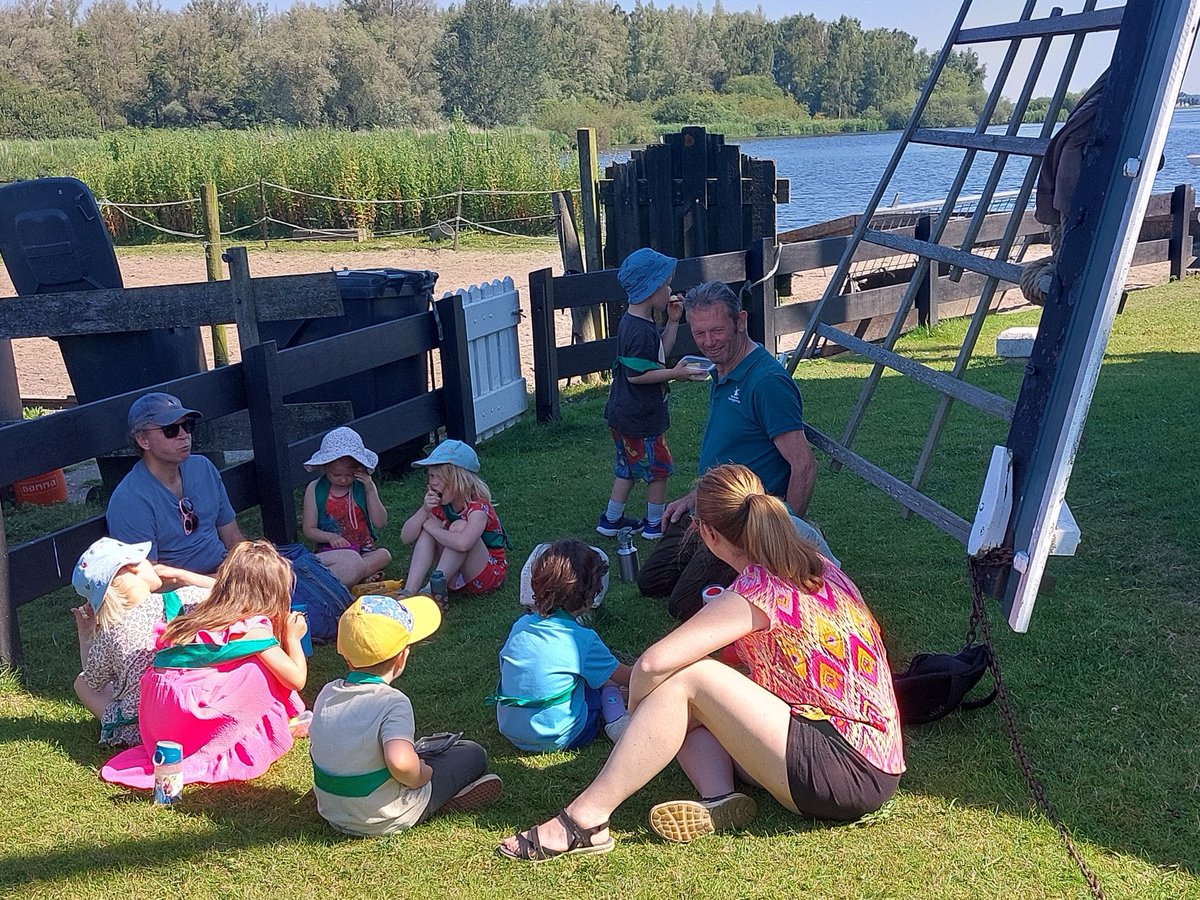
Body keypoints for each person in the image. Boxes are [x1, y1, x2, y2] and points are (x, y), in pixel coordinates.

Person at [497, 464, 904, 861]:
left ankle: (585, 819)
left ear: (708, 533)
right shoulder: (818, 564)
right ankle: (720, 796)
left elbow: (654, 665)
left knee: (688, 678)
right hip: (866, 757)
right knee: (696, 688)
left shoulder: (759, 589)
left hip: (844, 769)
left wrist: (637, 715)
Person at [637, 281, 827, 621]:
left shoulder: (766, 381)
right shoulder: (723, 369)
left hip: (746, 519)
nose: (709, 342)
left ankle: (761, 566)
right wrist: (694, 497)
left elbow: (804, 465)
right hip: (711, 506)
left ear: (740, 321)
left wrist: (785, 534)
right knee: (650, 581)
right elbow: (732, 452)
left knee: (684, 605)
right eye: (699, 333)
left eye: (717, 331)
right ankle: (719, 559)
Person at [101, 540, 309, 788]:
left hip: (157, 723)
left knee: (247, 665)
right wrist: (292, 638)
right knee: (261, 671)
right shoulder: (253, 628)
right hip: (189, 720)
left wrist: (181, 575)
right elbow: (296, 678)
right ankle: (271, 728)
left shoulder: (201, 612)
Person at [309, 594, 502, 835]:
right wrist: (422, 775)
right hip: (384, 815)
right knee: (473, 753)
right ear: (402, 657)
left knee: (410, 753)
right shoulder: (392, 702)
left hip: (333, 811)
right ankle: (436, 805)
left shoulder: (328, 692)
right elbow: (400, 762)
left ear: (346, 657)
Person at [597, 248, 706, 541]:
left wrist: (673, 321)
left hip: (622, 413)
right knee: (659, 469)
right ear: (650, 289)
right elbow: (638, 375)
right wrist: (677, 373)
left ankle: (611, 520)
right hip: (640, 417)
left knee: (627, 468)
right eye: (666, 284)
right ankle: (655, 525)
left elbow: (656, 358)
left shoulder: (636, 322)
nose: (670, 290)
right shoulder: (639, 331)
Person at [71, 537, 215, 747]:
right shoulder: (184, 599)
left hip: (140, 731)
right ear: (133, 567)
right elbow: (229, 593)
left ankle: (115, 726)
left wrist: (85, 637)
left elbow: (93, 683)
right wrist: (184, 576)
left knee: (82, 682)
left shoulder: (110, 633)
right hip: (191, 714)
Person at [492, 539, 631, 753]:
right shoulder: (582, 640)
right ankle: (618, 722)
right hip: (562, 735)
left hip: (511, 730)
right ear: (590, 595)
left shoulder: (520, 626)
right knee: (607, 684)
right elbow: (630, 678)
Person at [107, 392, 245, 575]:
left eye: (188, 426)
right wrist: (218, 582)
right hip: (180, 594)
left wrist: (250, 567)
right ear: (143, 440)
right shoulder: (130, 500)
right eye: (170, 430)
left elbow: (233, 537)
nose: (184, 435)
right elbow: (146, 581)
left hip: (226, 574)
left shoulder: (203, 468)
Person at [400, 439, 509, 605]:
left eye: (439, 477)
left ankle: (431, 591)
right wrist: (424, 510)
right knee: (427, 528)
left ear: (460, 480)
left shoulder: (478, 508)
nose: (432, 482)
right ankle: (409, 591)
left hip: (486, 573)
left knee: (457, 527)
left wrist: (434, 529)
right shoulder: (440, 504)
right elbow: (405, 537)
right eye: (431, 476)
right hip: (454, 574)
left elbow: (464, 544)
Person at [301, 427, 392, 587]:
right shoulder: (315, 489)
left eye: (349, 475)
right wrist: (331, 537)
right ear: (325, 467)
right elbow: (309, 529)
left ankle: (351, 576)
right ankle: (360, 576)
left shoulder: (363, 487)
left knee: (384, 555)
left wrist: (371, 490)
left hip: (364, 550)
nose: (343, 480)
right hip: (332, 552)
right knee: (343, 563)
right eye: (336, 475)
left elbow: (380, 522)